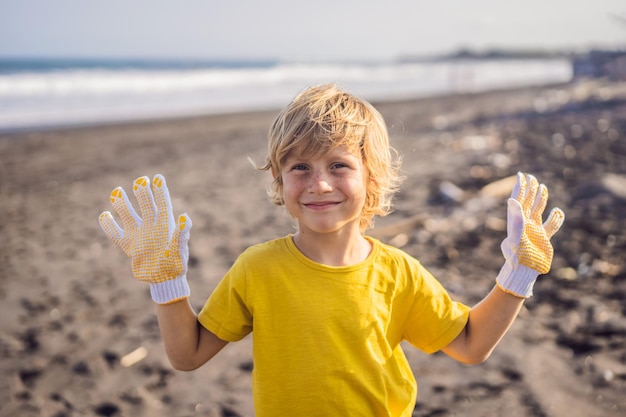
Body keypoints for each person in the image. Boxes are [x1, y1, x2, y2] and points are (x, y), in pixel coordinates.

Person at [98, 84, 565, 416]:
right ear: (280, 182)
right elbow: (188, 355)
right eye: (300, 167)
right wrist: (167, 282)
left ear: (372, 179)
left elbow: (469, 344)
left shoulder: (399, 272)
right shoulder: (257, 268)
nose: (319, 184)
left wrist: (518, 273)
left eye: (339, 165)